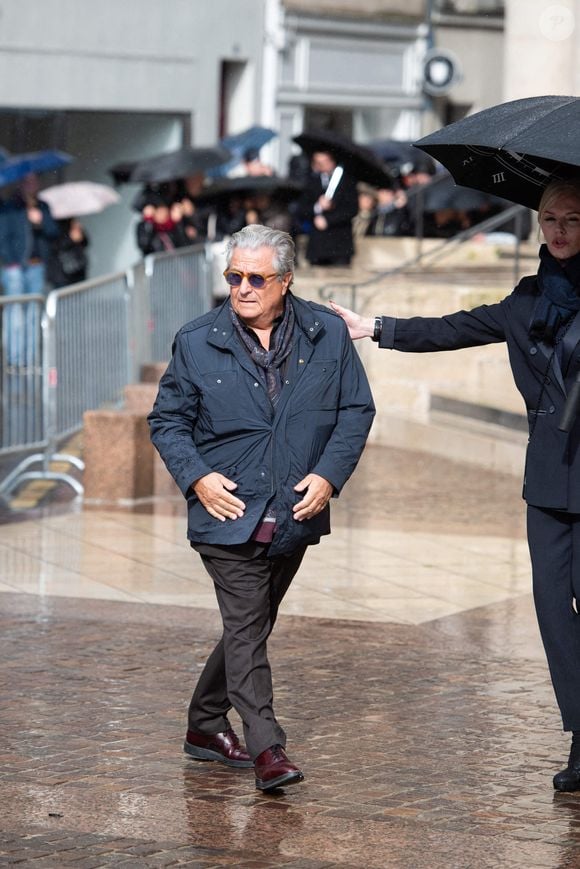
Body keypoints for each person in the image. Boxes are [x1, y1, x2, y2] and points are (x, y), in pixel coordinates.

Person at [330, 177, 580, 794]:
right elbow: (453, 328)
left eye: (573, 219)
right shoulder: (526, 302)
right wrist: (375, 327)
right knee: (554, 613)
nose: (559, 231)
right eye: (550, 218)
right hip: (549, 480)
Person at [148, 224, 375, 791]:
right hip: (227, 510)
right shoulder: (198, 339)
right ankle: (267, 747)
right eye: (233, 277)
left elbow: (355, 410)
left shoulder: (326, 333)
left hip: (294, 510)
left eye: (256, 277)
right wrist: (197, 478)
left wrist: (329, 474)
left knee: (248, 625)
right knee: (248, 623)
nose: (242, 288)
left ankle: (203, 725)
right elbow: (167, 420)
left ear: (286, 280)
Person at [0, 173, 58, 367]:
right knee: (14, 314)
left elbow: (53, 232)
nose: (30, 185)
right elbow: (3, 237)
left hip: (36, 266)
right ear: (20, 184)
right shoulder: (9, 207)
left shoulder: (43, 206)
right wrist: (12, 261)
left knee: (33, 313)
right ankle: (14, 362)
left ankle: (30, 360)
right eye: (26, 181)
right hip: (15, 268)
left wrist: (40, 221)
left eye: (33, 181)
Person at [294, 150, 359, 266]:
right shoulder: (311, 181)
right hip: (318, 246)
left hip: (340, 245)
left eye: (325, 162)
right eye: (318, 162)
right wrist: (317, 207)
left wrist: (328, 220)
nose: (322, 166)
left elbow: (352, 209)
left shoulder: (347, 181)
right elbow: (301, 209)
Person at [47, 218, 89, 288]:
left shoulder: (73, 223)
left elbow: (86, 243)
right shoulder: (52, 224)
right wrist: (70, 238)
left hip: (78, 269)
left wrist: (80, 232)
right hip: (61, 273)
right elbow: (53, 247)